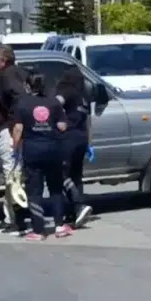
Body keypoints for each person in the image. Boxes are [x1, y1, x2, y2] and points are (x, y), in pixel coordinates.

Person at [12, 72, 71, 241]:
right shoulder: (53, 103)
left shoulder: (22, 103)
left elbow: (18, 128)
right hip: (53, 150)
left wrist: (15, 148)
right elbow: (62, 126)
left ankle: (39, 230)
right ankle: (59, 226)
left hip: (32, 151)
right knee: (56, 188)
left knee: (35, 191)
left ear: (28, 86)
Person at [0, 43, 30, 234]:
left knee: (12, 175)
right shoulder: (21, 72)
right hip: (17, 128)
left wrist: (16, 125)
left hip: (11, 129)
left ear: (4, 60)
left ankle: (16, 219)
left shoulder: (8, 75)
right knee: (15, 174)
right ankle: (10, 216)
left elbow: (18, 99)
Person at [54, 67, 94, 227]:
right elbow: (88, 121)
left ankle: (78, 206)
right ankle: (74, 214)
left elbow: (55, 105)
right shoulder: (84, 97)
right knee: (76, 176)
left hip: (68, 137)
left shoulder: (66, 90)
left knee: (61, 175)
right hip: (82, 138)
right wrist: (89, 143)